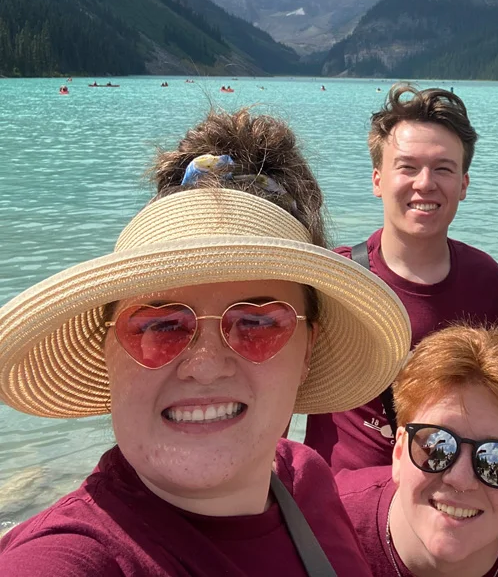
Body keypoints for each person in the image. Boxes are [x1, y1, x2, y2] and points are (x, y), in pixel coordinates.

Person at [0, 108, 412, 575]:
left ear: (307, 352)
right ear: (105, 350)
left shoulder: (304, 479)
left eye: (258, 323)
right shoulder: (66, 560)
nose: (205, 365)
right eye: (160, 325)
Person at [306, 84, 498, 473]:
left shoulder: (484, 278)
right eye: (407, 167)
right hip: (337, 510)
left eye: (443, 168)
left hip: (450, 501)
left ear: (464, 185)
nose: (425, 183)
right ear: (377, 180)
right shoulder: (335, 277)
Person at [336, 324, 498, 577]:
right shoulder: (323, 526)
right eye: (437, 446)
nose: (460, 479)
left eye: (496, 459)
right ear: (399, 452)